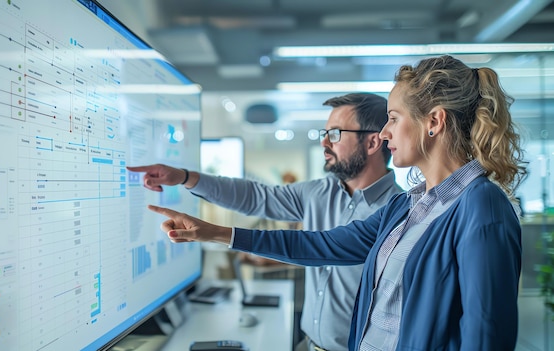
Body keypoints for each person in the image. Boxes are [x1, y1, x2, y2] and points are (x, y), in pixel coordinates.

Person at [146, 55, 528, 350]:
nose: (385, 131)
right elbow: (320, 244)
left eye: (393, 119)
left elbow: (485, 335)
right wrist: (215, 233)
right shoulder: (409, 207)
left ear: (434, 122)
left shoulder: (481, 207)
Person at [128, 92, 402, 351]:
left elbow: (318, 248)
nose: (324, 143)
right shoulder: (319, 192)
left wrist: (217, 233)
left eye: (335, 134)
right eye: (324, 133)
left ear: (372, 142)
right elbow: (256, 196)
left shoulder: (398, 212)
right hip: (308, 344)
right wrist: (186, 177)